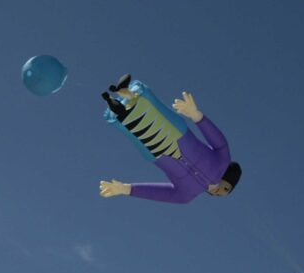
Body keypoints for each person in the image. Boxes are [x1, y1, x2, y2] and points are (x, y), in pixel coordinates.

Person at [98, 74, 241, 204]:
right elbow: (219, 142)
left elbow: (159, 193)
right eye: (226, 189)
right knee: (157, 114)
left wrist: (126, 189)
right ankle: (129, 94)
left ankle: (116, 107)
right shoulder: (222, 161)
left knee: (138, 130)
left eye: (219, 195)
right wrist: (197, 116)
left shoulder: (186, 195)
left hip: (158, 154)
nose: (219, 192)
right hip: (179, 134)